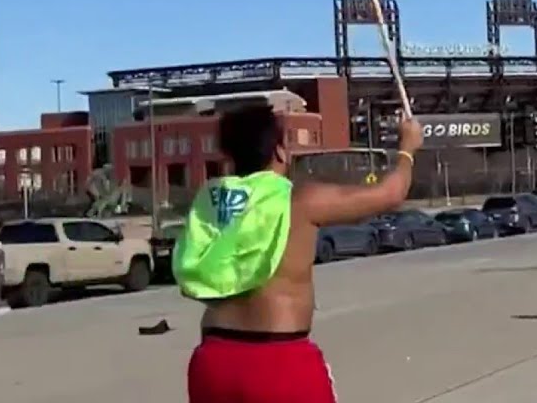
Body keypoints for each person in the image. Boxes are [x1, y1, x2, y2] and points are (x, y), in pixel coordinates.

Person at [174, 103, 423, 403]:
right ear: (279, 151)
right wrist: (407, 149)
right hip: (279, 361)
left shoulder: (211, 204)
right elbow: (390, 193)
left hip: (212, 362)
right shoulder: (299, 201)